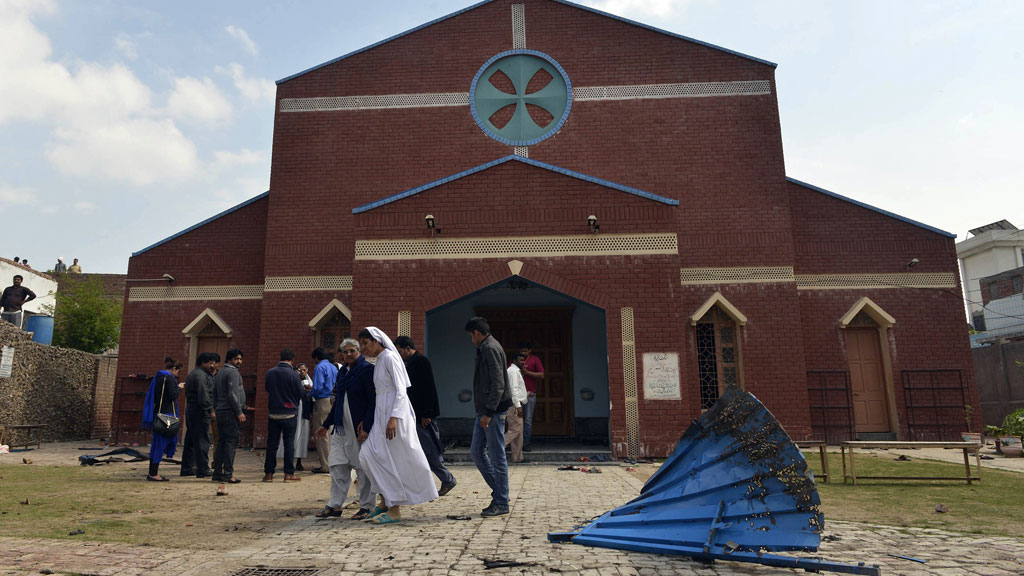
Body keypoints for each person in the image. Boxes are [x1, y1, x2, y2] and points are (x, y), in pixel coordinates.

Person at [357, 327, 438, 524]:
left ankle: (394, 509)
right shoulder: (379, 361)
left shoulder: (390, 358)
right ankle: (385, 500)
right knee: (368, 455)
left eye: (365, 344)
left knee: (389, 459)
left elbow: (401, 390)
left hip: (395, 415)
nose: (363, 349)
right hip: (381, 414)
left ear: (376, 341)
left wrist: (394, 417)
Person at [314, 338, 377, 519]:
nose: (349, 354)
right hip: (340, 428)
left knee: (362, 468)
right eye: (345, 351)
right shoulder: (343, 373)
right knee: (337, 466)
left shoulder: (366, 371)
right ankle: (334, 505)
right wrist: (326, 425)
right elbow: (338, 401)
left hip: (358, 429)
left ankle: (367, 506)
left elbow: (373, 401)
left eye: (352, 351)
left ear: (359, 351)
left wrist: (367, 424)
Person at [394, 335, 457, 496]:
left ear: (408, 348)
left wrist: (427, 413)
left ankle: (447, 478)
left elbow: (428, 389)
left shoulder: (421, 362)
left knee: (429, 450)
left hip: (423, 415)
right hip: (413, 414)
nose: (399, 354)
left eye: (400, 351)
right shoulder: (409, 363)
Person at [466, 317, 514, 517]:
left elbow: (498, 383)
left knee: (497, 457)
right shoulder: (485, 347)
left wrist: (489, 412)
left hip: (492, 412)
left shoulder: (490, 348)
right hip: (484, 411)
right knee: (477, 452)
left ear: (477, 332)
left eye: (471, 336)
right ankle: (501, 493)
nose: (471, 340)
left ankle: (501, 502)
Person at [264, 349, 305, 483]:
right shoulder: (294, 375)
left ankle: (269, 474)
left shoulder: (270, 372)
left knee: (271, 444)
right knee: (289, 444)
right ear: (292, 359)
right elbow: (300, 393)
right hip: (289, 413)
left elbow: (267, 388)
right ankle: (288, 474)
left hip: (273, 412)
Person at [142, 357, 184, 481]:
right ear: (174, 369)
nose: (177, 375)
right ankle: (154, 473)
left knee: (156, 444)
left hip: (158, 414)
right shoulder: (169, 378)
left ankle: (152, 472)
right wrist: (179, 387)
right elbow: (172, 395)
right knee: (161, 444)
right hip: (167, 415)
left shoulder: (158, 378)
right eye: (178, 372)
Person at [180, 352, 218, 478]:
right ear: (203, 363)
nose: (213, 366)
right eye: (210, 363)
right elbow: (204, 396)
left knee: (191, 440)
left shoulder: (195, 374)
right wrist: (210, 410)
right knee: (202, 440)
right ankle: (202, 469)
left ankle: (187, 468)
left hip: (192, 410)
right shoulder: (201, 376)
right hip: (200, 411)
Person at [212, 348, 245, 483]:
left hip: (221, 411)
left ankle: (217, 473)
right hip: (230, 412)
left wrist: (215, 408)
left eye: (240, 359)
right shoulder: (232, 373)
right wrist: (239, 412)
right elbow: (232, 394)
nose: (239, 361)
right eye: (236, 359)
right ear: (230, 359)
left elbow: (214, 393)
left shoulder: (219, 373)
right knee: (230, 443)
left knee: (221, 443)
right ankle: (228, 474)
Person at [278, 363, 313, 471]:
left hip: (303, 413)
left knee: (302, 436)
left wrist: (309, 391)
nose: (302, 372)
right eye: (300, 370)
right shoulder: (292, 380)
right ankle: (288, 461)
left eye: (304, 370)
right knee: (289, 436)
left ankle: (299, 461)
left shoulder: (309, 382)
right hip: (292, 411)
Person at [309, 347, 338, 474]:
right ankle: (332, 462)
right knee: (330, 434)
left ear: (316, 358)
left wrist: (310, 393)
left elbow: (318, 387)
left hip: (322, 401)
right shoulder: (333, 367)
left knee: (321, 433)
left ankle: (325, 465)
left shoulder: (319, 367)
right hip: (332, 400)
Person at [518, 341, 545, 452]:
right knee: (516, 420)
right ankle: (516, 444)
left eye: (525, 351)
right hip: (517, 395)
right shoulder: (516, 360)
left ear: (530, 351)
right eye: (521, 351)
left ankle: (526, 443)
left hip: (530, 394)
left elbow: (541, 375)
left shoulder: (535, 359)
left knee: (527, 420)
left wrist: (527, 372)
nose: (523, 353)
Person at [505, 353, 529, 464]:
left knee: (518, 432)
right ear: (514, 360)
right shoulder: (513, 371)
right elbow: (513, 390)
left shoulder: (514, 371)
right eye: (521, 360)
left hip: (516, 403)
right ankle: (495, 447)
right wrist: (518, 406)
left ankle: (518, 458)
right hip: (514, 405)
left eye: (524, 360)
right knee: (515, 429)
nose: (523, 362)